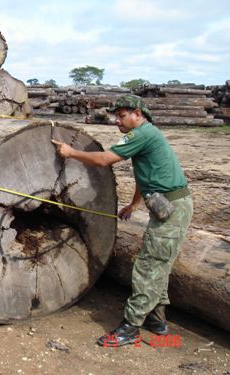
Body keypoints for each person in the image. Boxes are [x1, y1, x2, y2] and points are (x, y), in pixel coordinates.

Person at [51, 94, 193, 347]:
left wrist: (70, 152)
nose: (118, 120)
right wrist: (134, 204)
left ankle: (131, 328)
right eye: (116, 116)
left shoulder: (142, 134)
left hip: (172, 207)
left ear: (138, 114)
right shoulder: (146, 136)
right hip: (167, 204)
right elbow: (144, 175)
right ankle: (156, 320)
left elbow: (105, 160)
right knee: (157, 262)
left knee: (149, 266)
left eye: (123, 115)